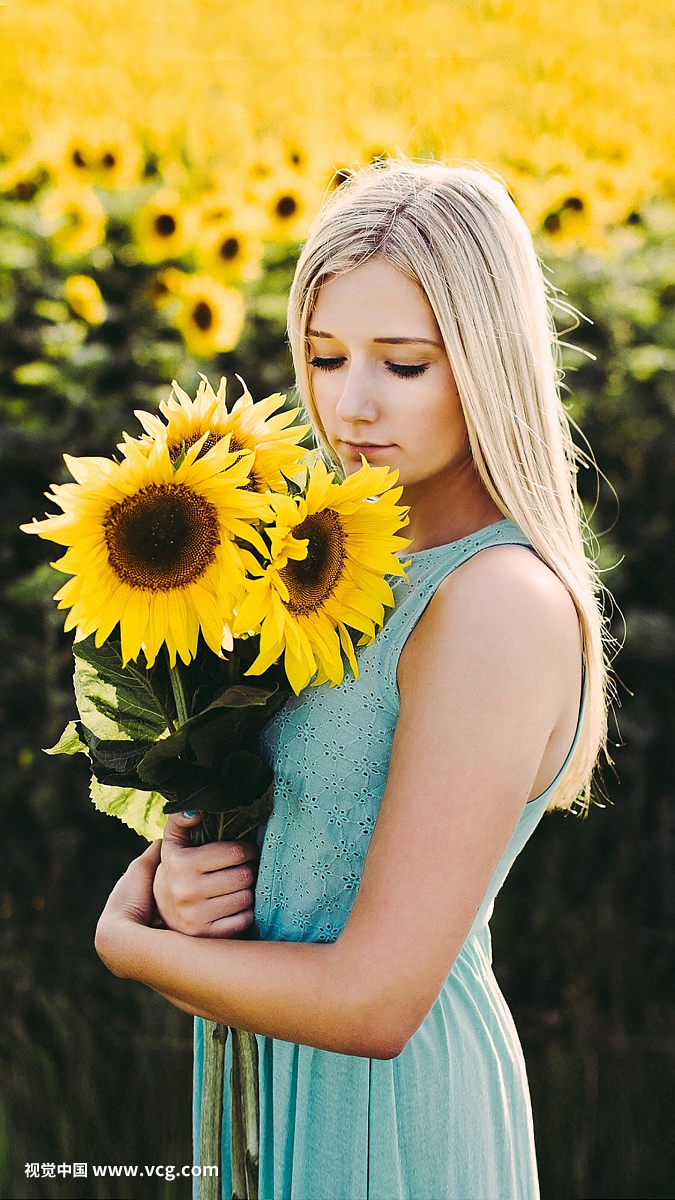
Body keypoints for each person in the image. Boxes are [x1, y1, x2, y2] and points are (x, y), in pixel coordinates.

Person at [95, 158, 612, 1200]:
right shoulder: (328, 561)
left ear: (488, 361)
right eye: (326, 357)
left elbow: (377, 1003)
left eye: (405, 364)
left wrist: (126, 943)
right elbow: (306, 841)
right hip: (270, 1078)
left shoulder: (496, 604)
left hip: (392, 1126)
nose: (352, 403)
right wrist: (179, 883)